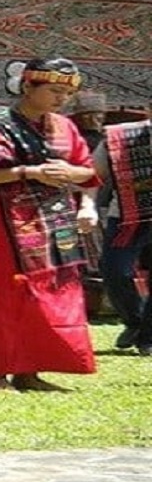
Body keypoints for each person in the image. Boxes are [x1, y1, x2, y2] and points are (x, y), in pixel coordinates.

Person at [0, 57, 99, 392]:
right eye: (53, 90)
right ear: (28, 86)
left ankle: (30, 371)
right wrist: (26, 171)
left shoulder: (65, 126)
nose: (61, 99)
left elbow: (87, 171)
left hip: (57, 215)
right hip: (9, 216)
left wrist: (67, 174)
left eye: (66, 92)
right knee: (12, 292)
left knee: (55, 289)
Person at [88, 111, 152, 354]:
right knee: (114, 270)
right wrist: (88, 206)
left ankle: (148, 337)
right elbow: (93, 175)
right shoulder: (120, 138)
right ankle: (134, 320)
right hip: (127, 216)